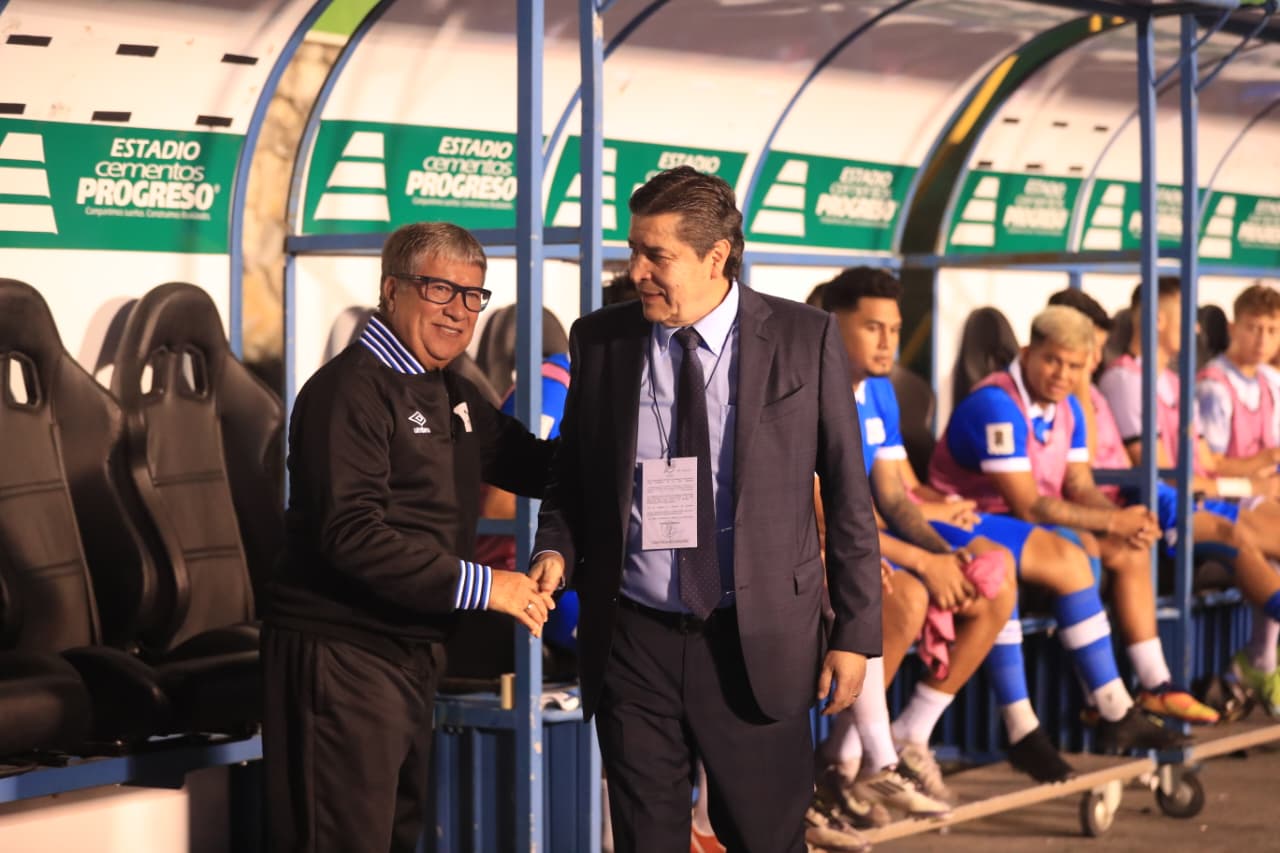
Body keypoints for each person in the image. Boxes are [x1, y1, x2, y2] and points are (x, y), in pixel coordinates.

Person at [531, 166, 883, 853]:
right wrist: (555, 548)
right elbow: (571, 477)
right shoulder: (600, 340)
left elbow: (846, 493)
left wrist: (855, 631)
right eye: (633, 250)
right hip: (633, 638)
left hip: (756, 641)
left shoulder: (802, 337)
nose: (636, 271)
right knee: (646, 839)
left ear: (716, 256)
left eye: (656, 255)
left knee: (764, 837)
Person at [263, 222, 556, 853]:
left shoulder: (449, 388)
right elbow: (352, 533)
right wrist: (488, 586)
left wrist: (636, 448)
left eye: (473, 296)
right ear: (392, 290)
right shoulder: (349, 391)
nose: (458, 311)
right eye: (440, 289)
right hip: (343, 652)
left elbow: (531, 463)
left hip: (410, 651)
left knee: (394, 836)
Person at [930, 304, 1202, 742]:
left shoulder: (1068, 405)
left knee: (1131, 548)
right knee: (1083, 549)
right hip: (973, 522)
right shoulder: (996, 402)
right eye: (1052, 360)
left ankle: (1155, 685)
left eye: (1074, 366)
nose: (1062, 374)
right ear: (1027, 352)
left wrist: (1122, 521)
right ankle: (1100, 703)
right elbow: (1028, 507)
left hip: (1027, 526)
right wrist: (1109, 523)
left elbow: (1077, 482)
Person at [813, 268, 1015, 822]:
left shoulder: (877, 388)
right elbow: (828, 520)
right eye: (873, 328)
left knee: (986, 577)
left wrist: (944, 556)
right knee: (899, 596)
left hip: (856, 544)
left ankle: (855, 755)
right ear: (832, 325)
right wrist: (924, 560)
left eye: (895, 329)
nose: (887, 342)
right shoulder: (808, 387)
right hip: (813, 551)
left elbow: (895, 499)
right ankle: (868, 762)